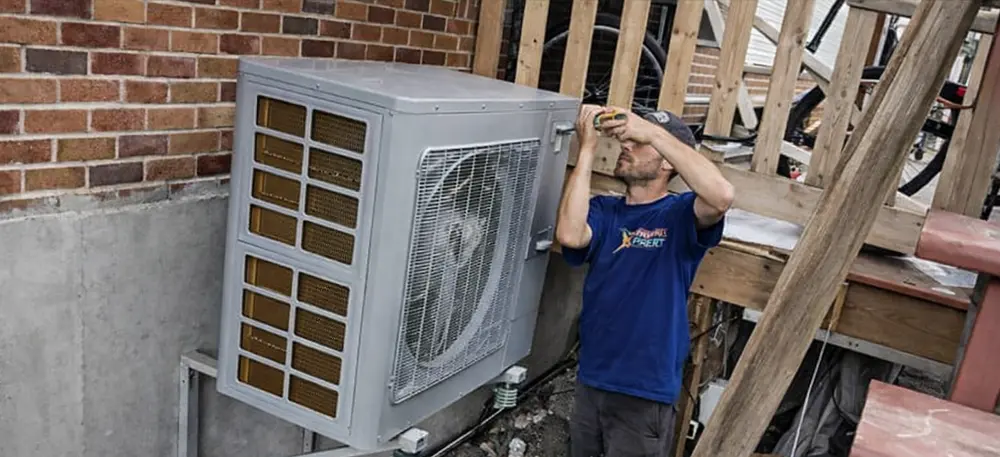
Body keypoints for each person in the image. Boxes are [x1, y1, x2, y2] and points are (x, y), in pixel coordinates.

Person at [555, 104, 735, 457]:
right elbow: (571, 235)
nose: (627, 145)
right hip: (593, 380)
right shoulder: (606, 211)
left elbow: (721, 196)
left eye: (638, 143)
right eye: (630, 140)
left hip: (644, 391)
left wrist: (651, 132)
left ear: (667, 161)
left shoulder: (679, 214)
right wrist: (588, 147)